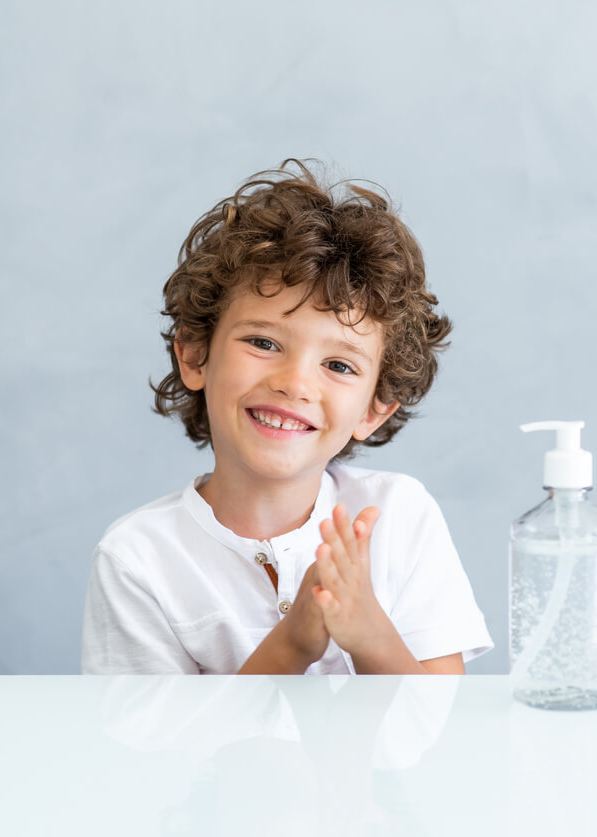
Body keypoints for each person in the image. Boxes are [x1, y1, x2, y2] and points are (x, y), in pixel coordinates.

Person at [81, 159, 492, 674]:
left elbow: (435, 731)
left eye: (339, 365)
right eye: (263, 342)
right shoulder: (139, 559)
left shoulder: (398, 516)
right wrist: (292, 645)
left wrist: (369, 635)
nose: (295, 383)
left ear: (372, 410)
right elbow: (163, 752)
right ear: (193, 356)